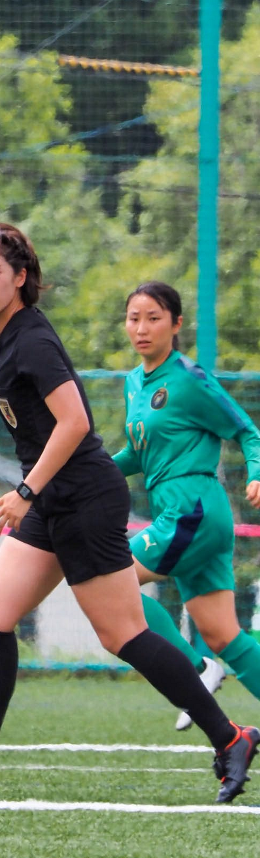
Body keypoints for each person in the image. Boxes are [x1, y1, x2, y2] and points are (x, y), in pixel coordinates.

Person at [0, 222, 257, 803]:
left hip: (82, 498)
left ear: (21, 278)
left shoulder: (32, 340)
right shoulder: (10, 338)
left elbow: (75, 425)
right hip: (55, 498)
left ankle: (230, 736)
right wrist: (35, 493)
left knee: (123, 634)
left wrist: (25, 491)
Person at [113, 281, 260, 730]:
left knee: (110, 581)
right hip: (180, 515)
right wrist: (85, 475)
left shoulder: (189, 379)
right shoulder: (134, 383)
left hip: (193, 510)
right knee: (223, 635)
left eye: (154, 318)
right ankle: (206, 662)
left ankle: (196, 670)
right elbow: (138, 455)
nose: (142, 328)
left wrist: (256, 472)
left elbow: (246, 430)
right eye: (134, 318)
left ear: (175, 325)